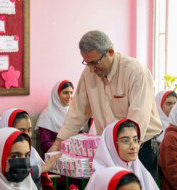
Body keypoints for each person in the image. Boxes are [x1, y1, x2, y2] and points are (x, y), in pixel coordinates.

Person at [48, 30, 162, 182]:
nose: (91, 69)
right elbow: (77, 112)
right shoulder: (89, 74)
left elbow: (138, 118)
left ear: (110, 52)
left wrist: (122, 150)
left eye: (95, 63)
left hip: (140, 147)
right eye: (87, 63)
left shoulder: (135, 71)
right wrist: (58, 143)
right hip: (108, 148)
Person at [89, 118, 165, 190]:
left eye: (135, 140)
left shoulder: (141, 172)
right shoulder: (101, 179)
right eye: (125, 141)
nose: (133, 146)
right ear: (111, 144)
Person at [0, 108, 59, 190]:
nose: (27, 135)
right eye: (22, 130)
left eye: (29, 130)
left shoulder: (32, 152)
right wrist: (41, 169)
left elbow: (45, 185)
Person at [35, 80, 74, 153]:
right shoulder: (47, 115)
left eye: (71, 93)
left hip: (73, 156)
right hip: (54, 157)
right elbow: (45, 145)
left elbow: (81, 136)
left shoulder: (73, 113)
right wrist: (66, 145)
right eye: (65, 93)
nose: (69, 96)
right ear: (57, 94)